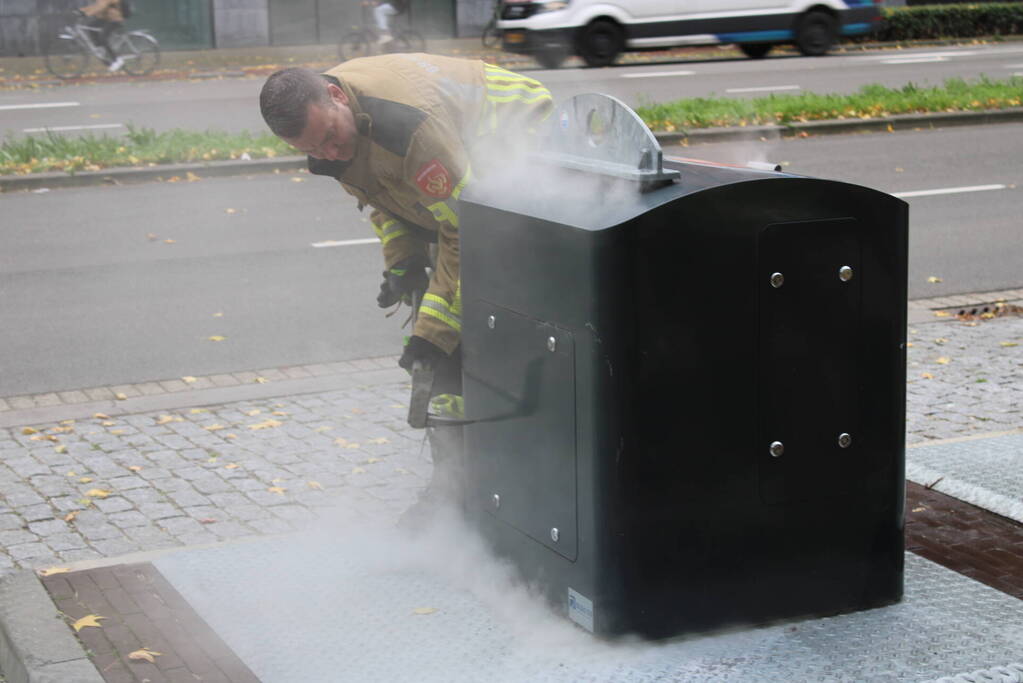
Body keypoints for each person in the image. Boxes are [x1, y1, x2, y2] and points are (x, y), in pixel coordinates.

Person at [259, 55, 552, 523]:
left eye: (332, 139)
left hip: (516, 130)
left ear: (336, 96)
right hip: (458, 184)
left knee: (488, 305)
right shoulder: (338, 130)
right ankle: (455, 487)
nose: (331, 154)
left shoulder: (408, 126)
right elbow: (385, 196)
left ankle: (490, 488)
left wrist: (432, 334)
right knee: (447, 350)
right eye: (316, 150)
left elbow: (468, 230)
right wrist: (404, 262)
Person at [79, 0, 125, 72]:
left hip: (114, 19)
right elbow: (95, 6)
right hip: (105, 18)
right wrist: (81, 11)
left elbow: (101, 7)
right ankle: (100, 48)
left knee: (103, 38)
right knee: (91, 27)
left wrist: (86, 13)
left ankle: (117, 59)